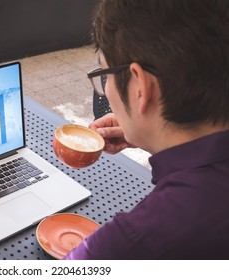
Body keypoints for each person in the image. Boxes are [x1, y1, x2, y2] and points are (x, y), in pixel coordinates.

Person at [64, 0, 229, 259]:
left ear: (141, 86)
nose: (105, 88)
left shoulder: (135, 241)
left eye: (105, 74)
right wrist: (151, 134)